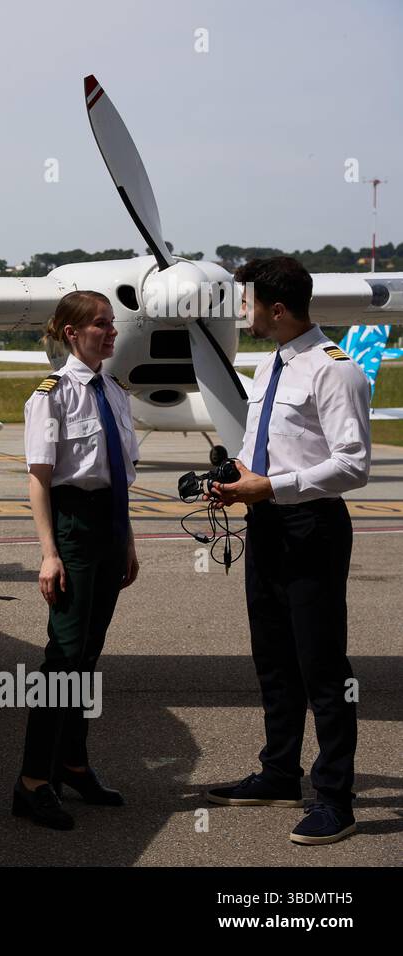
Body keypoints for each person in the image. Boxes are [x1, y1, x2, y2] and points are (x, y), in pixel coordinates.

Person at [205, 256, 370, 846]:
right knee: (273, 655)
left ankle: (336, 799)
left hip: (313, 529)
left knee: (322, 665)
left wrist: (271, 486)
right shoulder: (269, 363)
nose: (241, 313)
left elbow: (353, 465)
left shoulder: (335, 371)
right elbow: (266, 449)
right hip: (268, 525)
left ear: (277, 308)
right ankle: (279, 773)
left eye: (246, 302)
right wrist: (236, 480)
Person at [13, 290, 139, 830]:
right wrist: (49, 554)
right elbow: (40, 479)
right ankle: (32, 782)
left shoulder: (114, 390)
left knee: (87, 656)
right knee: (62, 659)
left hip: (109, 527)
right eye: (100, 325)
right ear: (71, 333)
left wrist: (127, 540)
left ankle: (73, 763)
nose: (111, 333)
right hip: (73, 527)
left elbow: (120, 476)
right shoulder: (52, 394)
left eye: (112, 324)